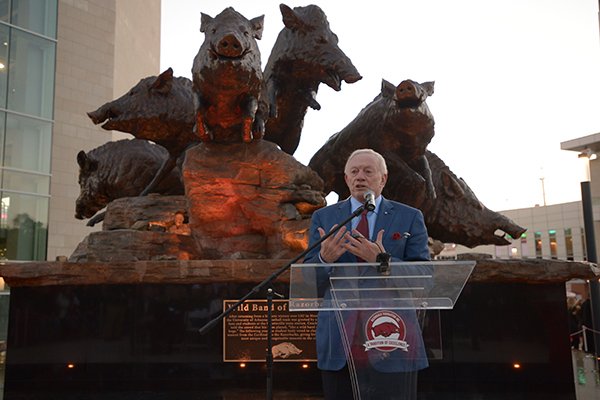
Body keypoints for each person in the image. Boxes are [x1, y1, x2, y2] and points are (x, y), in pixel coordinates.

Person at [304, 148, 431, 400]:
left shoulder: (409, 217)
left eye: (367, 171)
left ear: (383, 179)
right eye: (354, 171)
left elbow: (424, 277)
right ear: (346, 178)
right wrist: (323, 259)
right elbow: (308, 283)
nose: (359, 176)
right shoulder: (324, 217)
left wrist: (381, 261)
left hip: (393, 338)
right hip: (340, 340)